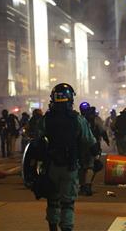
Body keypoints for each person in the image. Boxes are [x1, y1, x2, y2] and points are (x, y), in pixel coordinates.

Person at [38, 83, 96, 231]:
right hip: (70, 166)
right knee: (67, 203)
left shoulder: (46, 119)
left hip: (51, 166)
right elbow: (89, 141)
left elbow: (37, 142)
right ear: (70, 98)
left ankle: (52, 227)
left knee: (52, 200)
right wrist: (94, 159)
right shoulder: (77, 119)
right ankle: (67, 228)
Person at [80, 106, 110, 196]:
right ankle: (87, 186)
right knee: (91, 166)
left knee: (82, 167)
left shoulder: (80, 119)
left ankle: (82, 186)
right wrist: (106, 140)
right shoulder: (97, 120)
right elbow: (102, 131)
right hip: (93, 146)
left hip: (82, 147)